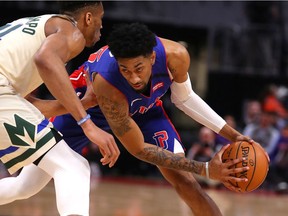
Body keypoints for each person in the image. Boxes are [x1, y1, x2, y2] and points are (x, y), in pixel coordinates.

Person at [0, 23, 256, 216]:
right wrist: (206, 169)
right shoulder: (108, 83)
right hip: (85, 111)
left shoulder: (176, 55)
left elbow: (184, 99)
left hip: (145, 112)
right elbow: (139, 149)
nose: (133, 78)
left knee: (183, 179)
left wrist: (232, 134)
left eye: (139, 69)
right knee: (26, 186)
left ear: (152, 58)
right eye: (125, 70)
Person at [0, 2, 120, 216]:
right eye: (101, 18)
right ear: (89, 18)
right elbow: (45, 59)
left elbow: (29, 106)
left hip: (5, 96)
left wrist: (83, 104)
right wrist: (87, 123)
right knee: (73, 167)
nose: (102, 26)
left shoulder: (37, 29)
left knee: (26, 186)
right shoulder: (70, 30)